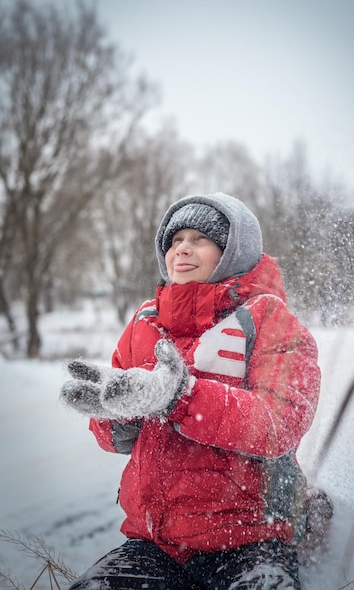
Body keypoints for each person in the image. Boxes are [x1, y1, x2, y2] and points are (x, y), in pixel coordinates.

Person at [61, 192, 322, 589]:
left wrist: (180, 397)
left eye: (200, 238)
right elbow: (115, 439)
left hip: (249, 541)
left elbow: (279, 423)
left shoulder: (268, 318)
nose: (182, 247)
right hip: (155, 546)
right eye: (175, 239)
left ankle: (311, 512)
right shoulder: (145, 322)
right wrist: (113, 410)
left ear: (233, 250)